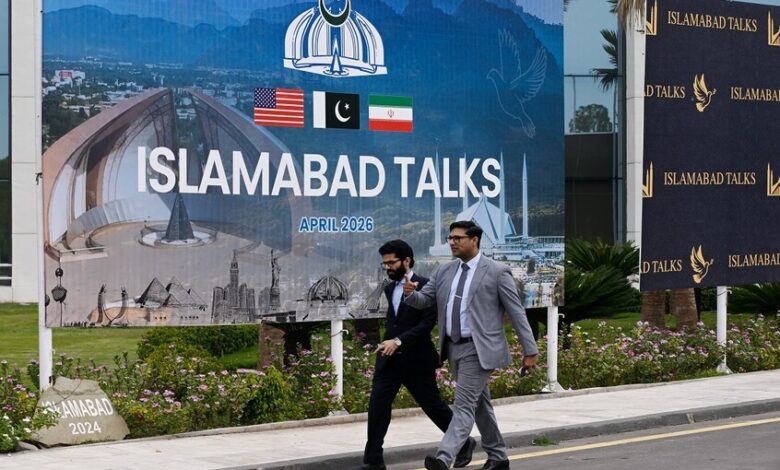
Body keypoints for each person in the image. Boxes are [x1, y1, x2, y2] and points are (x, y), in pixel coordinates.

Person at [403, 221, 539, 470]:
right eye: (450, 238)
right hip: (454, 347)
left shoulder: (497, 271)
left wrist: (530, 350)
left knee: (464, 405)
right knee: (480, 405)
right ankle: (498, 457)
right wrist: (411, 293)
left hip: (479, 348)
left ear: (474, 240)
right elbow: (424, 300)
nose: (452, 242)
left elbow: (516, 312)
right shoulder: (444, 271)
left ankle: (443, 458)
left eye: (458, 238)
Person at [360, 239, 476, 470]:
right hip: (389, 359)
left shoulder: (426, 286)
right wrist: (387, 342)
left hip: (416, 360)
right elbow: (395, 322)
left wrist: (399, 341)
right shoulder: (389, 288)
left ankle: (464, 442)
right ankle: (373, 462)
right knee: (377, 408)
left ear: (407, 260)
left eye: (391, 263)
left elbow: (427, 322)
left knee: (433, 406)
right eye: (384, 264)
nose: (387, 267)